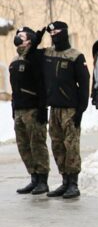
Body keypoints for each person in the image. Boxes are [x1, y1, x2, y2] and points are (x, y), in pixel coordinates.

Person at [42, 21, 90, 199]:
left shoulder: (75, 56)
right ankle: (64, 180)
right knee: (57, 145)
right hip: (54, 108)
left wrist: (81, 110)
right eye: (51, 32)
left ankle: (73, 183)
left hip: (70, 109)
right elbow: (29, 54)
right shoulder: (48, 53)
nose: (53, 35)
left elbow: (84, 84)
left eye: (56, 32)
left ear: (65, 33)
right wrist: (39, 35)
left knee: (71, 146)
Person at [10, 27, 50, 195]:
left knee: (37, 144)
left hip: (33, 109)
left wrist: (42, 108)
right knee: (23, 146)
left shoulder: (36, 57)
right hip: (19, 109)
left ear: (29, 41)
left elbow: (41, 84)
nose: (18, 38)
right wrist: (13, 108)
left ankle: (42, 180)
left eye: (22, 36)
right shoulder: (15, 60)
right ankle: (33, 177)